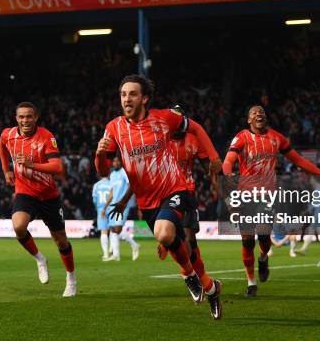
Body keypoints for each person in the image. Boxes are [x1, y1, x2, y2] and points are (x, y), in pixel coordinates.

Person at [94, 75, 223, 320]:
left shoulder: (165, 118)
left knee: (170, 235)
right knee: (170, 238)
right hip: (147, 201)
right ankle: (211, 288)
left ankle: (189, 276)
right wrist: (100, 155)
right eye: (123, 94)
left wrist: (214, 156)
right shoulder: (114, 128)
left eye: (132, 94)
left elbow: (195, 127)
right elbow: (103, 171)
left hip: (176, 188)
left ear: (144, 98)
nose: (126, 99)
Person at [222, 104, 320, 297]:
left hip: (267, 196)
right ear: (249, 120)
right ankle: (251, 282)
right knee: (246, 241)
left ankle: (263, 258)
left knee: (263, 236)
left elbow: (299, 161)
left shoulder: (277, 138)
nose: (259, 114)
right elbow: (228, 160)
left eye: (261, 111)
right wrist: (227, 174)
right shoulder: (242, 137)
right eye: (254, 112)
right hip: (245, 196)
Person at [0, 102, 76, 297]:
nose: (25, 120)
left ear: (36, 118)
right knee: (18, 226)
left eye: (29, 117)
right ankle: (40, 259)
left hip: (48, 195)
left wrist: (31, 164)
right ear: (16, 118)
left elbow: (57, 167)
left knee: (61, 241)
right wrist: (6, 170)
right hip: (25, 192)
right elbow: (1, 144)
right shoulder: (8, 134)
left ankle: (71, 278)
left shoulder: (47, 137)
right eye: (21, 117)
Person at [158, 105, 217, 288]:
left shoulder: (193, 139)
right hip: (165, 193)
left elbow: (208, 164)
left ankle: (196, 276)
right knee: (174, 236)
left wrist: (216, 186)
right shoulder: (160, 140)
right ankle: (195, 277)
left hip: (187, 191)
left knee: (191, 239)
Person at [102, 157, 140, 261]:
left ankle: (132, 246)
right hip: (113, 206)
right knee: (113, 230)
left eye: (118, 161)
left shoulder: (124, 172)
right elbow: (111, 192)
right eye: (114, 161)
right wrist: (105, 207)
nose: (116, 163)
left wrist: (132, 201)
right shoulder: (113, 175)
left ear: (121, 162)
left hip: (123, 205)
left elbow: (131, 185)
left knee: (117, 229)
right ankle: (117, 255)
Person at [92, 175, 112, 260]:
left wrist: (98, 208)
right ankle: (112, 250)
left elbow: (94, 199)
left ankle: (106, 254)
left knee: (103, 232)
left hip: (101, 209)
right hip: (111, 208)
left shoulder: (96, 185)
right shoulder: (111, 183)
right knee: (113, 230)